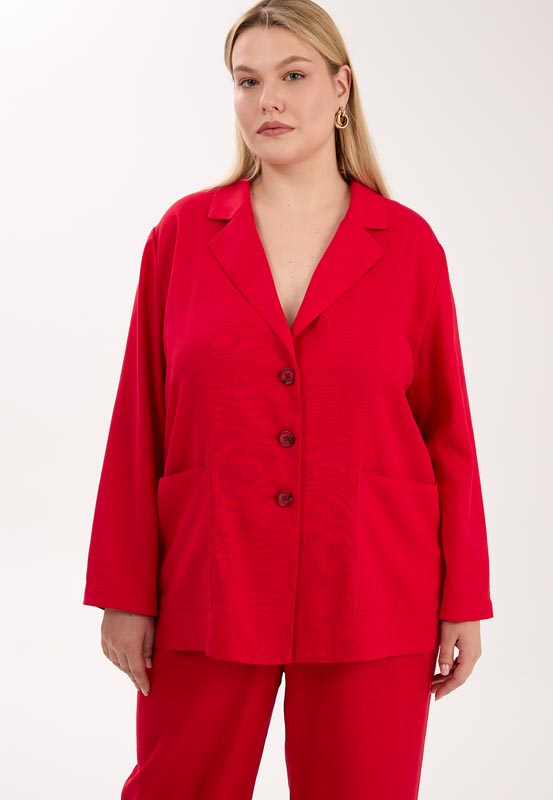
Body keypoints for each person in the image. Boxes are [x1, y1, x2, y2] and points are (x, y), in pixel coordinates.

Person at [82, 1, 494, 797]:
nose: (267, 99)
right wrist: (124, 593)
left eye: (293, 75)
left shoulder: (409, 246)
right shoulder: (182, 237)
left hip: (372, 581)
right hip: (209, 576)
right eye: (248, 81)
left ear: (341, 89)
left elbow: (449, 430)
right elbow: (139, 421)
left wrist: (463, 598)